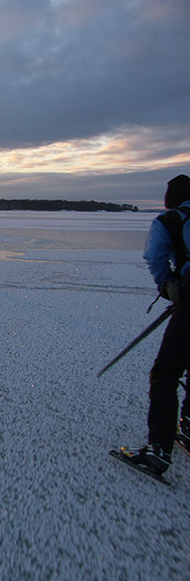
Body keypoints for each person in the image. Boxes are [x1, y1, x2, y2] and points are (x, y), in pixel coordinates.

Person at [124, 174, 190, 473]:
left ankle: (159, 450)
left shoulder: (170, 221)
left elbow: (155, 257)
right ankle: (188, 428)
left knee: (165, 373)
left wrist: (167, 285)